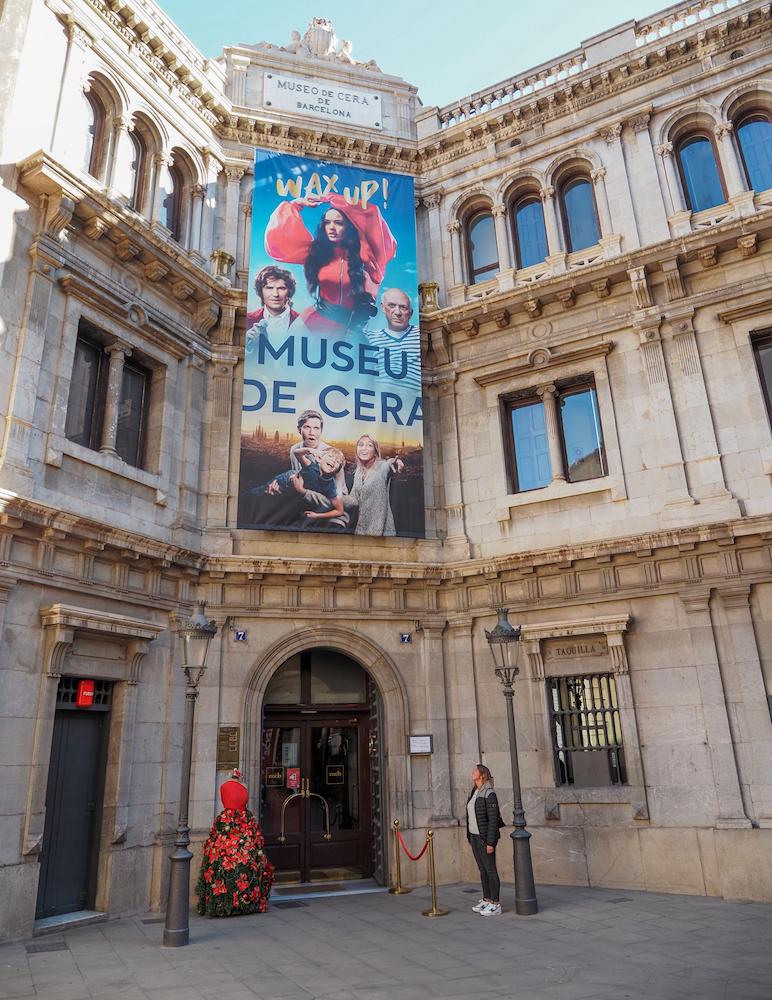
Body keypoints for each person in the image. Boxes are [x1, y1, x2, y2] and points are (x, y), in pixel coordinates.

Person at [265, 194, 396, 334]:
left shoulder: (369, 256)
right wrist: (296, 204)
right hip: (311, 324)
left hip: (351, 330)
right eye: (327, 222)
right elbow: (278, 240)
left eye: (338, 223)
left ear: (350, 227)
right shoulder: (317, 253)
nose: (331, 227)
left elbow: (371, 212)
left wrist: (329, 197)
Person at [196, 768, 274, 917]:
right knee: (244, 858)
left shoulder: (227, 786)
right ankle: (243, 900)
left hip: (229, 823)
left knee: (223, 857)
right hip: (243, 824)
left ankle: (226, 900)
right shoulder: (235, 787)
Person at [252, 447, 346, 524]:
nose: (333, 461)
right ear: (319, 458)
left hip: (292, 498)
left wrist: (317, 515)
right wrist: (310, 451)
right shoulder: (311, 466)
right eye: (330, 456)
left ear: (337, 470)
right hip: (283, 482)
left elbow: (339, 511)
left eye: (338, 461)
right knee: (256, 495)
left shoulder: (330, 486)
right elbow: (296, 453)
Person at [365, 288, 422, 398]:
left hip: (412, 408)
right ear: (383, 308)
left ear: (411, 312)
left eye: (403, 307)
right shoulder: (369, 337)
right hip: (380, 407)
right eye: (391, 306)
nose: (397, 312)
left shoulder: (419, 335)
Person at [349, 434, 403, 536]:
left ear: (375, 451)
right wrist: (336, 498)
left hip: (382, 532)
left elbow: (389, 464)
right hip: (361, 531)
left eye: (369, 445)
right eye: (361, 445)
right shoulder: (358, 472)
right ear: (356, 449)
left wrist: (395, 462)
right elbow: (354, 499)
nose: (364, 448)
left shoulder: (381, 467)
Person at [466, 763, 502, 916]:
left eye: (475, 770)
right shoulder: (474, 791)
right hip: (474, 836)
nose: (472, 772)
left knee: (490, 870)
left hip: (484, 838)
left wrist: (490, 842)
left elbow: (493, 820)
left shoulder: (489, 793)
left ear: (482, 775)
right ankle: (487, 899)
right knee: (482, 869)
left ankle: (496, 903)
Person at [245, 265, 299, 346]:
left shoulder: (302, 322)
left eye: (281, 288)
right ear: (260, 291)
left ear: (289, 291)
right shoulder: (248, 320)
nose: (275, 294)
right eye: (269, 288)